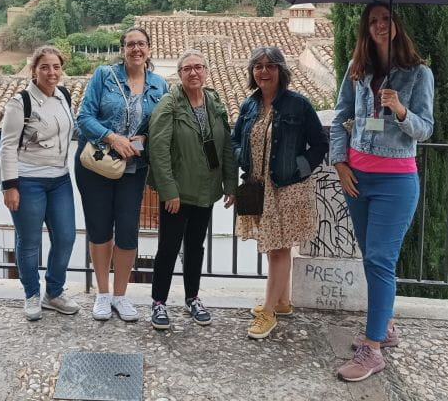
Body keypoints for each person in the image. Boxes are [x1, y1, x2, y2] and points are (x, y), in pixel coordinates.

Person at [330, 2, 434, 382]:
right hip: (357, 179)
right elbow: (341, 117)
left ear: (396, 24)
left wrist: (402, 111)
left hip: (395, 181)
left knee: (379, 260)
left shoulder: (419, 74)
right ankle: (385, 329)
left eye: (385, 19)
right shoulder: (358, 71)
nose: (379, 25)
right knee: (371, 259)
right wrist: (340, 164)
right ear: (365, 28)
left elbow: (425, 129)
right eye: (372, 21)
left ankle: (372, 350)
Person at [231, 46, 328, 340]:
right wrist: (242, 158)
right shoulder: (250, 105)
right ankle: (283, 302)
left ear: (281, 71)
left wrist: (300, 169)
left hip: (287, 188)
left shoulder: (298, 104)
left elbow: (319, 144)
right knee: (276, 244)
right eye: (258, 66)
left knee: (278, 247)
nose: (263, 71)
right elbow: (236, 139)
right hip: (260, 187)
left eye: (270, 66)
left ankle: (269, 312)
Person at [75, 26, 169, 322]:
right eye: (130, 44)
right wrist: (111, 137)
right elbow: (83, 117)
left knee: (128, 231)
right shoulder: (104, 75)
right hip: (98, 165)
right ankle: (103, 294)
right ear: (123, 49)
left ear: (149, 49)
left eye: (141, 44)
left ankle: (120, 295)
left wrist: (144, 144)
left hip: (133, 169)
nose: (136, 49)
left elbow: (161, 128)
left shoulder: (160, 85)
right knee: (100, 229)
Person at [147, 49, 237, 329]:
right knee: (169, 247)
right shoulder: (169, 104)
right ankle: (159, 302)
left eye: (199, 67)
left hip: (206, 189)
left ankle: (192, 298)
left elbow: (225, 146)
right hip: (178, 191)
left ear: (206, 71)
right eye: (187, 68)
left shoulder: (214, 103)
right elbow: (158, 149)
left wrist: (230, 183)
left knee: (196, 247)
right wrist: (169, 190)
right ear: (180, 74)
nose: (194, 72)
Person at [0, 45, 79, 321]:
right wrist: (10, 185)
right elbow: (7, 146)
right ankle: (32, 294)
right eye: (44, 67)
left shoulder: (63, 96)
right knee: (30, 242)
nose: (51, 72)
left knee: (66, 237)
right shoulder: (20, 102)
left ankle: (54, 293)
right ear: (34, 70)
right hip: (28, 180)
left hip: (60, 179)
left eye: (56, 66)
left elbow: (70, 130)